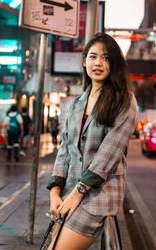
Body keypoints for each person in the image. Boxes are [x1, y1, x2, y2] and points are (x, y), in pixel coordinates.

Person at [46, 32, 138, 250]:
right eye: (93, 56)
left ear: (114, 63)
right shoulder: (76, 103)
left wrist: (76, 193)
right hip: (69, 194)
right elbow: (64, 150)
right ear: (84, 60)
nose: (98, 62)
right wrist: (54, 192)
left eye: (106, 58)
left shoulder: (124, 101)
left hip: (97, 197)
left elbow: (108, 155)